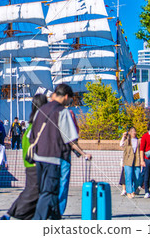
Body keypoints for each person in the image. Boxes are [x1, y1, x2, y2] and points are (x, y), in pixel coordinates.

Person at [29, 84, 91, 220]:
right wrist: (83, 153)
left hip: (38, 158)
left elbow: (31, 136)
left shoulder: (41, 110)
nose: (69, 103)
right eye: (70, 101)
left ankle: (54, 217)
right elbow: (70, 139)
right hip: (54, 158)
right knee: (50, 192)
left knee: (44, 190)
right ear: (67, 97)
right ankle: (37, 221)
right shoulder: (63, 112)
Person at [2, 94, 48, 220]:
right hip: (35, 163)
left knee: (33, 191)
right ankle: (13, 214)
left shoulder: (33, 125)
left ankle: (15, 214)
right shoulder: (37, 125)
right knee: (32, 192)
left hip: (32, 162)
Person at [120, 127, 141, 199]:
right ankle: (129, 192)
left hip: (137, 160)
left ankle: (133, 189)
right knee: (128, 176)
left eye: (135, 131)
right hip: (128, 160)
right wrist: (124, 136)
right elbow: (121, 144)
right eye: (132, 131)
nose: (134, 133)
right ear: (129, 132)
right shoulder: (127, 141)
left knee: (137, 176)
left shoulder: (138, 140)